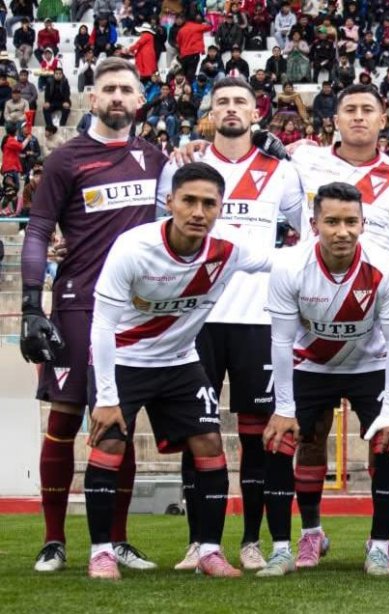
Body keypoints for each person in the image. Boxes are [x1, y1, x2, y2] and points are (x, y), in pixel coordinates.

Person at [86, 162, 272, 580]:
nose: (198, 212)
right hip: (124, 360)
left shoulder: (230, 248)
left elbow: (285, 263)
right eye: (188, 200)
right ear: (169, 202)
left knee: (209, 442)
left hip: (179, 362)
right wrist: (105, 396)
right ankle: (101, 551)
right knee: (111, 444)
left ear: (221, 208)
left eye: (209, 203)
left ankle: (208, 550)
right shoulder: (133, 248)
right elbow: (101, 324)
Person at [20, 58, 169, 573]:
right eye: (108, 89)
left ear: (140, 99)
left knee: (118, 423)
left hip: (136, 312)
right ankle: (53, 540)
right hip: (79, 304)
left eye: (127, 89)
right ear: (91, 99)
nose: (117, 97)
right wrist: (29, 305)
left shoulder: (156, 160)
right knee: (64, 418)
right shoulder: (66, 160)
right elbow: (38, 231)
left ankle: (117, 540)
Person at [171, 77, 305, 575]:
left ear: (256, 111)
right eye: (222, 101)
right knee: (197, 431)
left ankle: (251, 540)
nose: (231, 109)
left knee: (258, 438)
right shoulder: (184, 166)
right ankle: (199, 542)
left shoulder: (281, 171)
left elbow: (305, 232)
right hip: (195, 320)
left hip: (258, 320)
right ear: (210, 112)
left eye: (240, 102)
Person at [287, 83, 389, 569]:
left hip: (374, 321)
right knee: (308, 436)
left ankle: (380, 544)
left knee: (387, 435)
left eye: (369, 109)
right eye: (350, 109)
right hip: (315, 323)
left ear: (384, 119)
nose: (359, 116)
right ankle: (311, 533)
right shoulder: (302, 162)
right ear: (335, 119)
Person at [266, 181, 389, 576]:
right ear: (314, 224)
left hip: (370, 365)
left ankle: (379, 544)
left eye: (350, 221)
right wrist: (282, 409)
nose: (342, 231)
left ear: (363, 224)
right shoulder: (290, 266)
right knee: (287, 441)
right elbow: (280, 340)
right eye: (332, 221)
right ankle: (294, 542)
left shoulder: (385, 267)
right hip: (311, 365)